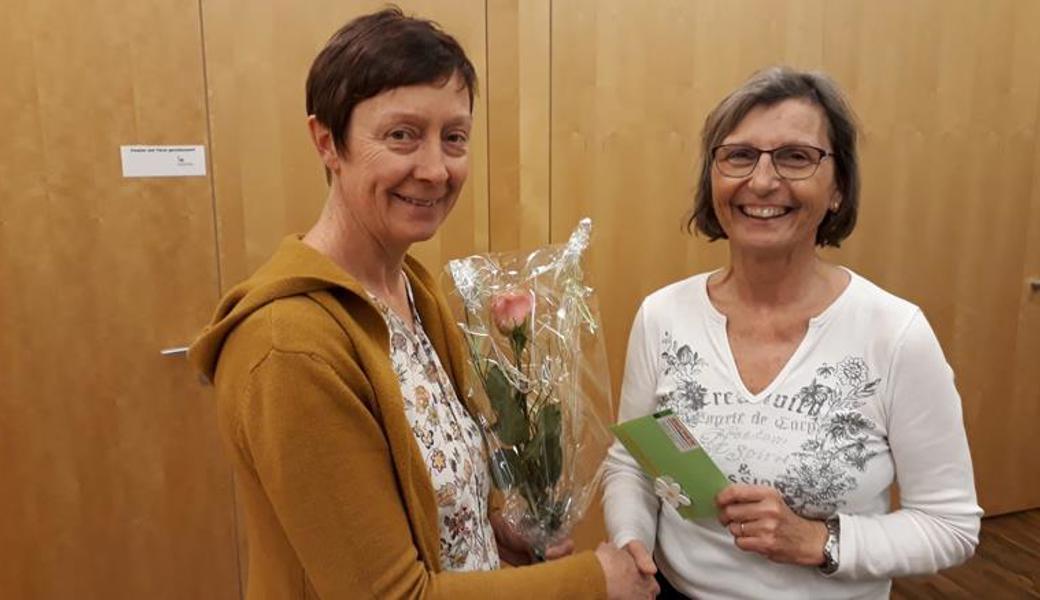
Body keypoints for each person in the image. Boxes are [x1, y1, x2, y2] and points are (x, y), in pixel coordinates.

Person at [188, 8, 656, 600]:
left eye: (453, 137)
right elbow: (391, 594)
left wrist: (488, 524)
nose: (436, 170)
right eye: (401, 135)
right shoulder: (290, 346)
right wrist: (592, 582)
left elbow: (418, 491)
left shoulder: (412, 289)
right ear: (327, 141)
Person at [602, 67, 981, 599]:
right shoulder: (663, 316)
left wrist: (820, 541)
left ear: (838, 190)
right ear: (712, 178)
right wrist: (631, 545)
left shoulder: (895, 334)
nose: (761, 181)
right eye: (738, 155)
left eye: (795, 157)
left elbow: (950, 526)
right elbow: (634, 465)